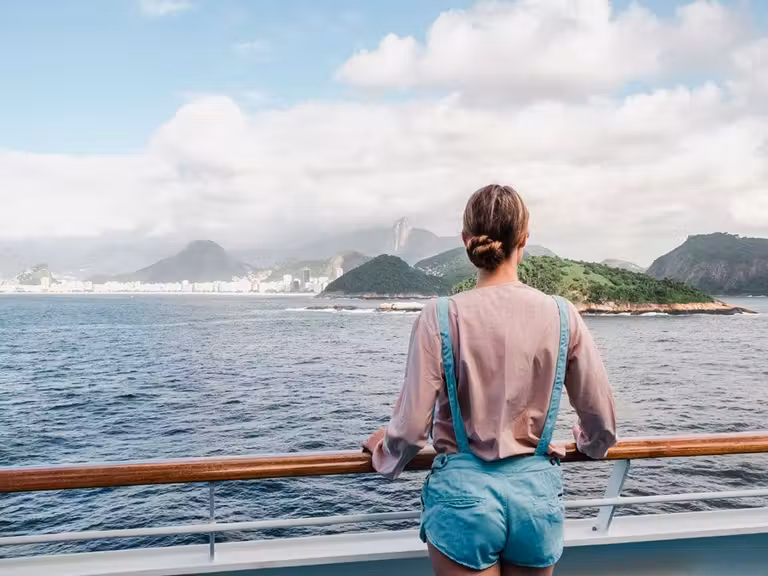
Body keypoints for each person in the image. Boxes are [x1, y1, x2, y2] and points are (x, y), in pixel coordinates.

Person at [363, 184, 617, 575]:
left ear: (467, 241)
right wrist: (584, 443)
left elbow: (412, 429)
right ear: (525, 239)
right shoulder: (563, 315)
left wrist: (385, 450)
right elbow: (601, 422)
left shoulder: (439, 316)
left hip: (463, 499)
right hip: (535, 497)